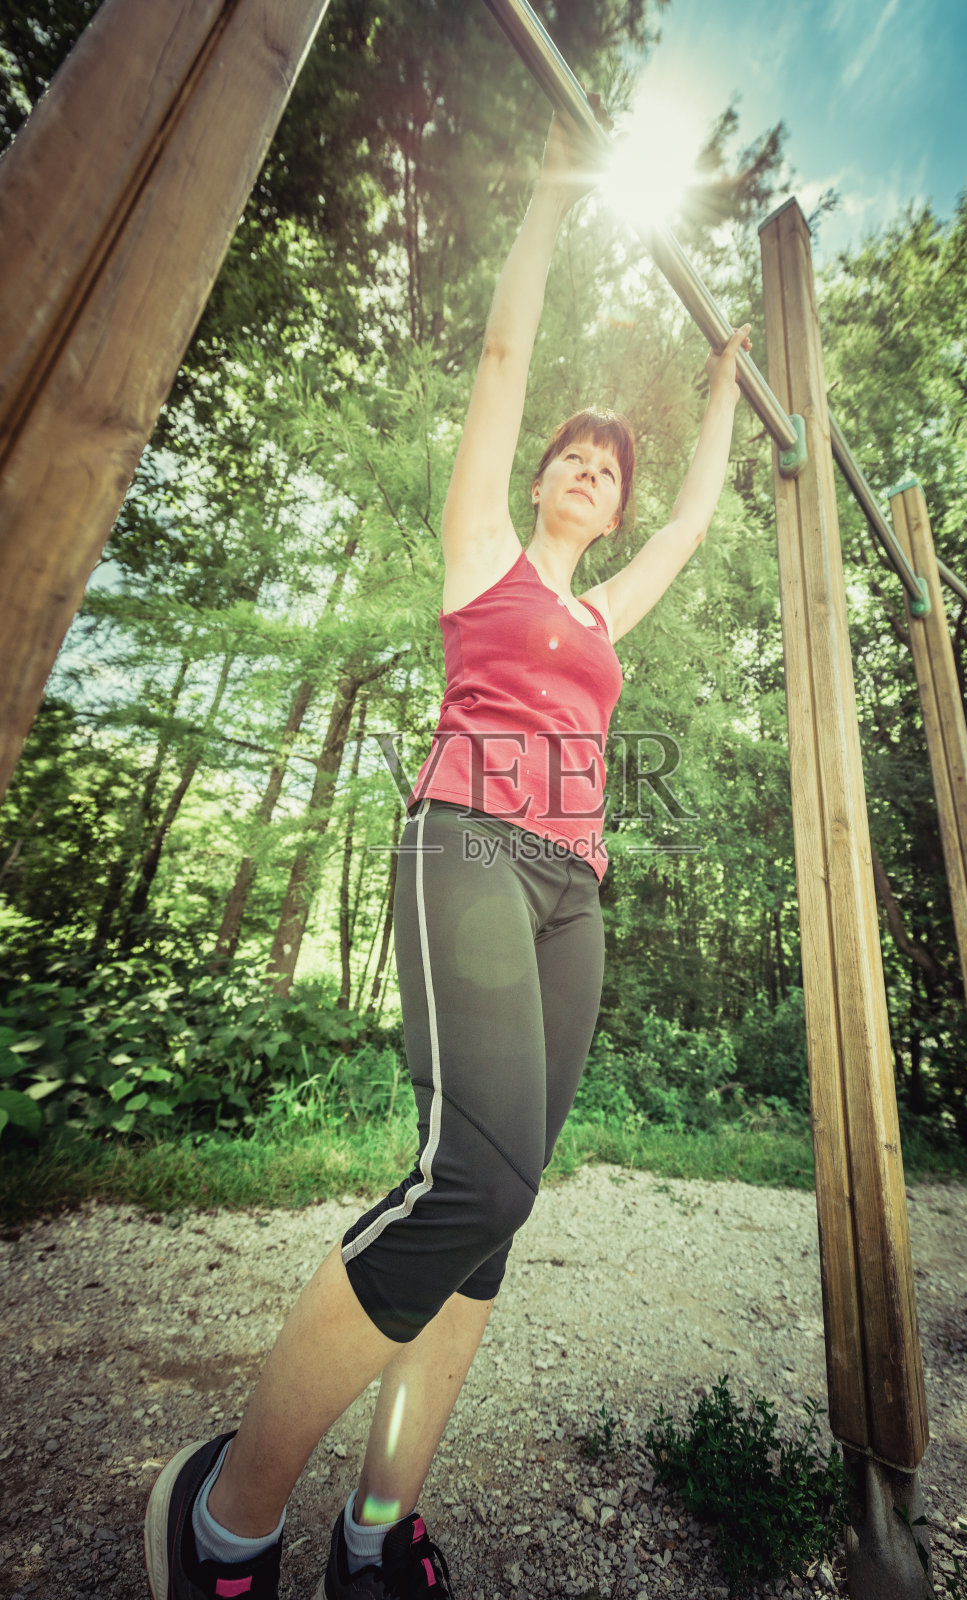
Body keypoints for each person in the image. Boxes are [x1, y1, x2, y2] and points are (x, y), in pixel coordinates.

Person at [144, 103, 750, 1600]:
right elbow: (500, 356)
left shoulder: (610, 615)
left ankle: (376, 1532)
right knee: (465, 1183)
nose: (596, 476)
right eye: (581, 458)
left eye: (612, 472)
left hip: (571, 895)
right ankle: (224, 1521)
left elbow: (693, 521)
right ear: (543, 477)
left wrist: (729, 386)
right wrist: (556, 194)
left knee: (501, 1219)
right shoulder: (480, 546)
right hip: (466, 844)